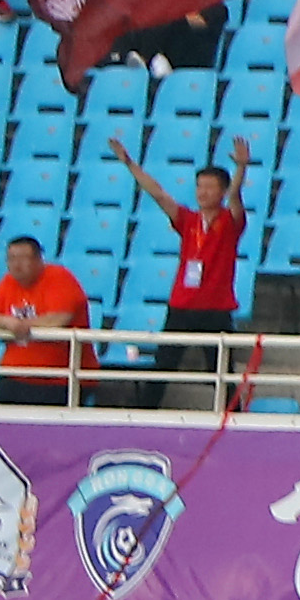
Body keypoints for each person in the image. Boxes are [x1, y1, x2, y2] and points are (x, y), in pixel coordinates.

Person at [108, 133, 251, 407]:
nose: (203, 193)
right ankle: (145, 415)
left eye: (210, 187)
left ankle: (234, 421)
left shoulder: (230, 222)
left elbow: (236, 197)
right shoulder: (188, 220)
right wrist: (129, 164)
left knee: (221, 373)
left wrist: (241, 168)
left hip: (216, 309)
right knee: (163, 367)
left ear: (221, 191)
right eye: (199, 186)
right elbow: (158, 194)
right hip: (182, 306)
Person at [0, 232, 89, 409]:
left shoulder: (59, 278)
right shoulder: (9, 282)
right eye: (11, 259)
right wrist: (8, 323)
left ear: (38, 260)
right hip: (14, 377)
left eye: (22, 258)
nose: (16, 265)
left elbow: (58, 319)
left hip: (57, 380)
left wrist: (24, 325)